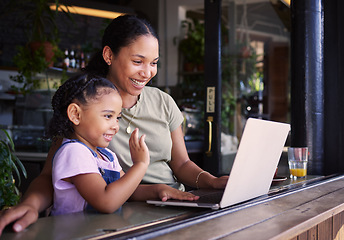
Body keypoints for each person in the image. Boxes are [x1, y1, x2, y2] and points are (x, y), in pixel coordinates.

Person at [0, 14, 228, 234]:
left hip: (175, 207)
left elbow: (182, 163)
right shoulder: (86, 106)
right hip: (120, 216)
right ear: (109, 56)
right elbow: (50, 176)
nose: (147, 72)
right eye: (138, 61)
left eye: (154, 63)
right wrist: (30, 205)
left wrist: (212, 181)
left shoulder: (163, 101)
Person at [48, 73, 150, 215]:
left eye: (118, 118)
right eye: (108, 116)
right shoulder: (74, 152)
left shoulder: (107, 156)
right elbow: (106, 202)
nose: (116, 126)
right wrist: (140, 164)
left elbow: (128, 191)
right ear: (76, 115)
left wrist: (161, 191)